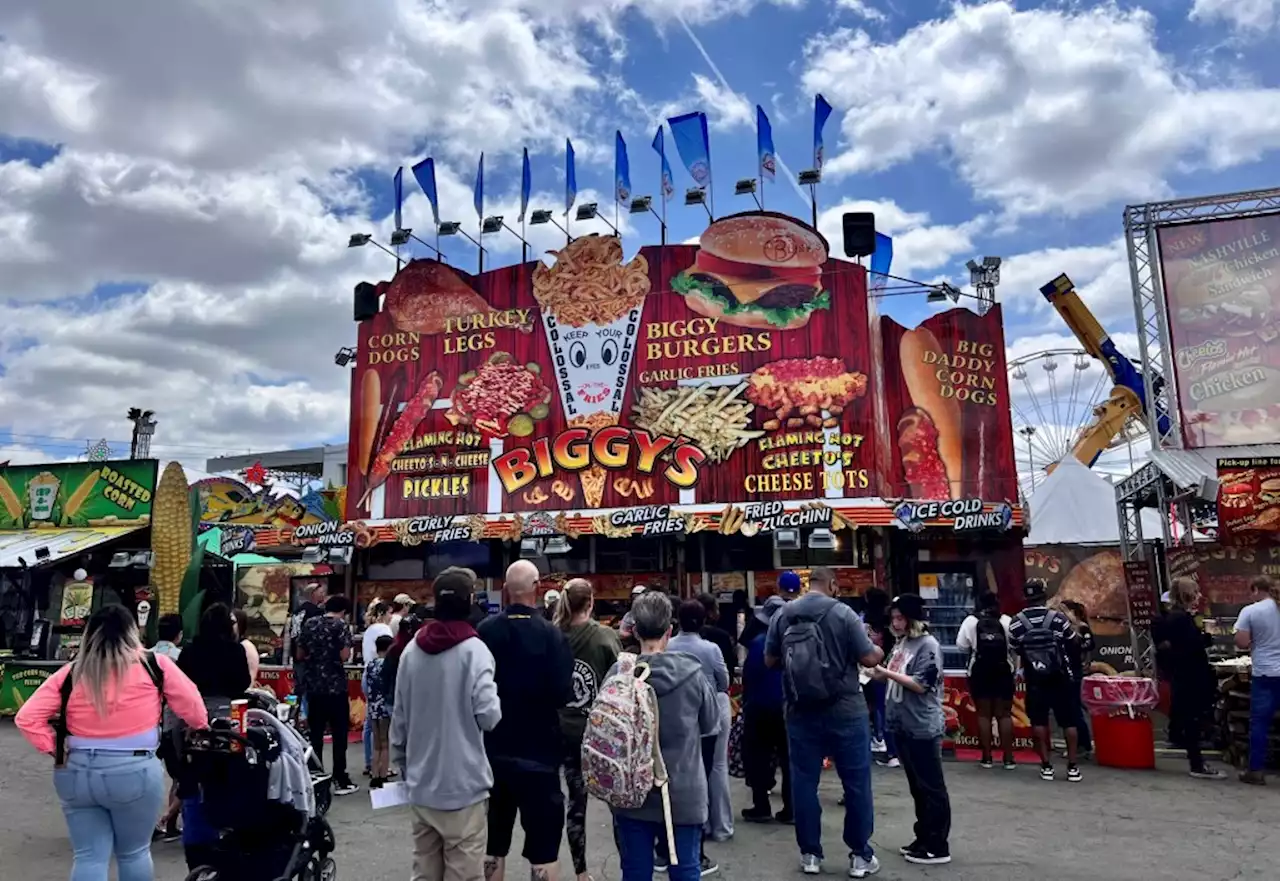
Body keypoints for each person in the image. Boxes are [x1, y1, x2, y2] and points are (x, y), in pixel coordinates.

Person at [15, 604, 209, 881]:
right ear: (132, 632)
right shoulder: (154, 664)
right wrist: (199, 728)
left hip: (75, 770)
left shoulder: (71, 672)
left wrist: (56, 747)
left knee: (89, 856)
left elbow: (27, 718)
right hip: (134, 768)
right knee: (134, 853)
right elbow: (194, 708)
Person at [765, 568, 883, 878]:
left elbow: (770, 660)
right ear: (831, 585)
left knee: (804, 781)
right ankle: (860, 856)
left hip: (799, 709)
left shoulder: (783, 614)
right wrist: (878, 649)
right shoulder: (844, 614)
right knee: (856, 783)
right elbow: (869, 659)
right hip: (846, 709)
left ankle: (810, 855)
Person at [392, 570, 501, 881]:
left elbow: (399, 716)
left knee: (424, 871)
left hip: (422, 784)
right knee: (464, 874)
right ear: (469, 602)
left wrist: (403, 763)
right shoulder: (475, 650)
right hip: (463, 786)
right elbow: (489, 716)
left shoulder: (412, 650)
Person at [610, 591, 720, 881]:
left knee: (634, 871)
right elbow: (710, 724)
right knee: (685, 869)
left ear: (633, 630)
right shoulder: (692, 673)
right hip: (683, 790)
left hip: (631, 792)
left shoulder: (619, 674)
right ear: (669, 631)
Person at [478, 560, 574, 881]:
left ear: (505, 590)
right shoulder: (552, 636)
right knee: (544, 847)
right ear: (537, 588)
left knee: (494, 841)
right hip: (540, 754)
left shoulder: (485, 632)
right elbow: (563, 693)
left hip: (493, 752)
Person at [873, 594, 951, 866]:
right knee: (917, 787)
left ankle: (937, 843)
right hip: (902, 724)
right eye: (893, 618)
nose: (895, 623)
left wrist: (886, 673)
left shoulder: (927, 645)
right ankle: (923, 836)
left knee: (931, 787)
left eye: (899, 618)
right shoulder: (902, 643)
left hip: (922, 725)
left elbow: (922, 684)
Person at [553, 578, 622, 881]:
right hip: (602, 735)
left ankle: (581, 873)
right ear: (591, 602)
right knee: (618, 805)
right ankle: (630, 867)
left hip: (565, 733)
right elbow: (622, 682)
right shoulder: (605, 637)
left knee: (575, 805)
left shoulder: (554, 637)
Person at [669, 599, 731, 866]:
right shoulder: (711, 648)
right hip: (710, 715)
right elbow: (724, 682)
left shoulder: (669, 646)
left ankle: (676, 834)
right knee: (710, 770)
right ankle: (713, 828)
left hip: (678, 713)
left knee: (678, 771)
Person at [1009, 580, 1081, 782]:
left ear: (1026, 598)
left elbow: (1015, 648)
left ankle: (1046, 765)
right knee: (1069, 720)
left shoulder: (1017, 622)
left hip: (1034, 679)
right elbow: (1071, 640)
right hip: (1060, 676)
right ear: (1044, 596)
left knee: (1039, 721)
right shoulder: (1057, 618)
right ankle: (1073, 767)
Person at [1153, 578, 1225, 780]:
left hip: (1183, 674)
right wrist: (1207, 636)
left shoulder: (1176, 617)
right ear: (1187, 594)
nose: (1199, 596)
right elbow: (1190, 646)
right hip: (1189, 674)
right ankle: (1197, 764)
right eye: (1196, 591)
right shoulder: (1181, 618)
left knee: (1189, 717)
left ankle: (1193, 756)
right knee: (1193, 719)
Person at [297, 595, 359, 796]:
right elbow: (344, 655)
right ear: (343, 611)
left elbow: (299, 653)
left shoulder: (310, 623)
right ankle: (340, 777)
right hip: (335, 687)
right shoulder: (341, 626)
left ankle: (315, 776)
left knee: (315, 734)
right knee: (339, 734)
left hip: (314, 686)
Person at [739, 595, 791, 824]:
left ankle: (761, 806)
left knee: (758, 757)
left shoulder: (759, 642)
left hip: (759, 708)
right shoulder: (796, 641)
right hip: (789, 708)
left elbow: (748, 677)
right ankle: (792, 809)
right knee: (790, 760)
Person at [955, 591, 1016, 769]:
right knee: (1004, 714)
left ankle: (987, 757)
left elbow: (961, 646)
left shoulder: (971, 621)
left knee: (983, 714)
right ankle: (1008, 758)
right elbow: (1014, 645)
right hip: (1003, 670)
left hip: (980, 670)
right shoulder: (1006, 620)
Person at [1234, 574, 1280, 785]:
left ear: (1255, 590)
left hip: (1265, 673)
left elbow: (1242, 642)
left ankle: (1256, 771)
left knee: (1260, 724)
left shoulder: (1250, 611)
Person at [150, 612, 185, 841]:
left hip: (147, 723)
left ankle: (149, 823)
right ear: (179, 635)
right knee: (178, 775)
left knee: (147, 774)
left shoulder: (144, 655)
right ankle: (170, 823)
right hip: (172, 722)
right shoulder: (181, 657)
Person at [177, 603, 252, 705]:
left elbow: (179, 681)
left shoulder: (189, 650)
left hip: (194, 706)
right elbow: (244, 682)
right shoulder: (236, 650)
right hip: (227, 707)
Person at [861, 588, 899, 769]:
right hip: (888, 670)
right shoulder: (890, 622)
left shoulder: (863, 621)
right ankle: (891, 752)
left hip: (866, 671)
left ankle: (872, 743)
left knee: (866, 709)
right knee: (885, 710)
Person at [360, 601, 394, 778]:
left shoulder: (369, 630)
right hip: (384, 701)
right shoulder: (384, 629)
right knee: (385, 741)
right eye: (389, 613)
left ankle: (371, 766)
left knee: (370, 730)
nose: (391, 617)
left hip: (371, 694)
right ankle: (384, 770)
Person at [364, 634, 395, 788]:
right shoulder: (388, 665)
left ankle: (374, 773)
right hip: (384, 706)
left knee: (376, 742)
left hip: (373, 706)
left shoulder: (370, 665)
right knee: (385, 742)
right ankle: (384, 774)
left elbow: (365, 685)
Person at [382, 613, 424, 706]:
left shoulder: (394, 648)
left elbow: (385, 675)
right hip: (413, 698)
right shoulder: (419, 648)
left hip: (395, 697)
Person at [230, 607, 260, 685]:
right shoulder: (228, 645)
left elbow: (250, 677)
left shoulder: (247, 647)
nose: (229, 625)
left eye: (232, 622)